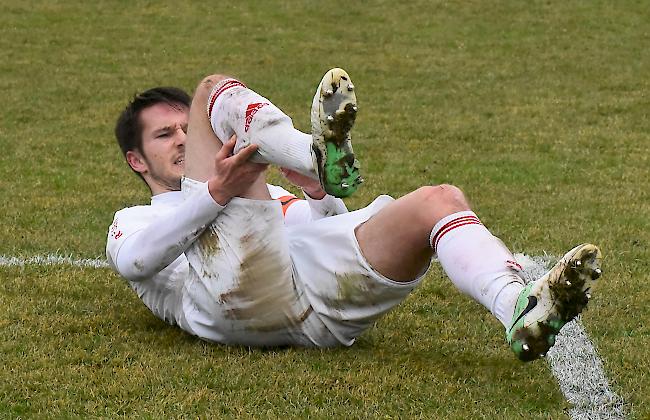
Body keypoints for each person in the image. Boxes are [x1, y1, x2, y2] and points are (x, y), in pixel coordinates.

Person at [107, 68, 602, 361]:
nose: (181, 140)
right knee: (212, 87)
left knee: (440, 200)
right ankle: (310, 150)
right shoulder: (136, 218)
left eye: (183, 130)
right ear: (136, 160)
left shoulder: (253, 196)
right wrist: (215, 192)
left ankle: (517, 308)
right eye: (163, 135)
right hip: (233, 307)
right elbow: (135, 263)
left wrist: (319, 195)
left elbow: (321, 232)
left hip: (321, 316)